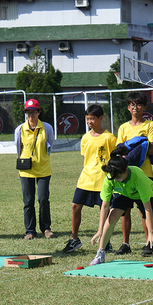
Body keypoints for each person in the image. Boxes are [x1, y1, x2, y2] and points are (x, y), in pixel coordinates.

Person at [89, 150, 153, 265]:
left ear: (125, 170)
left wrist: (150, 232)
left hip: (143, 195)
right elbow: (105, 206)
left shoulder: (137, 177)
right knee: (111, 218)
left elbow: (148, 207)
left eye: (119, 177)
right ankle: (100, 253)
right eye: (115, 178)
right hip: (124, 194)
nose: (117, 180)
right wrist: (100, 230)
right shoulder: (111, 178)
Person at [62, 104, 117, 253]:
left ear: (100, 118)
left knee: (104, 210)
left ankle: (106, 242)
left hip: (103, 179)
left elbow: (115, 158)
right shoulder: (85, 137)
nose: (90, 122)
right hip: (86, 178)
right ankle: (74, 240)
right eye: (87, 119)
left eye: (92, 119)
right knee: (75, 206)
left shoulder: (109, 138)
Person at [115, 92, 153, 256]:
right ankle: (125, 243)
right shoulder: (123, 127)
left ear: (145, 107)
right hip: (125, 176)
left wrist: (134, 150)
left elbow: (151, 149)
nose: (135, 107)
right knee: (124, 210)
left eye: (139, 104)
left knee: (145, 211)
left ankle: (149, 243)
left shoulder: (150, 126)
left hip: (144, 174)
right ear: (128, 107)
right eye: (132, 105)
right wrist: (136, 147)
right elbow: (120, 150)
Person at [15, 99, 55, 240]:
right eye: (28, 112)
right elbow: (18, 148)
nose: (31, 115)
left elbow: (50, 144)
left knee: (43, 199)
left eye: (34, 112)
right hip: (26, 170)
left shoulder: (47, 128)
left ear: (39, 112)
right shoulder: (19, 129)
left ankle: (46, 228)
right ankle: (30, 231)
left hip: (44, 168)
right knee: (28, 201)